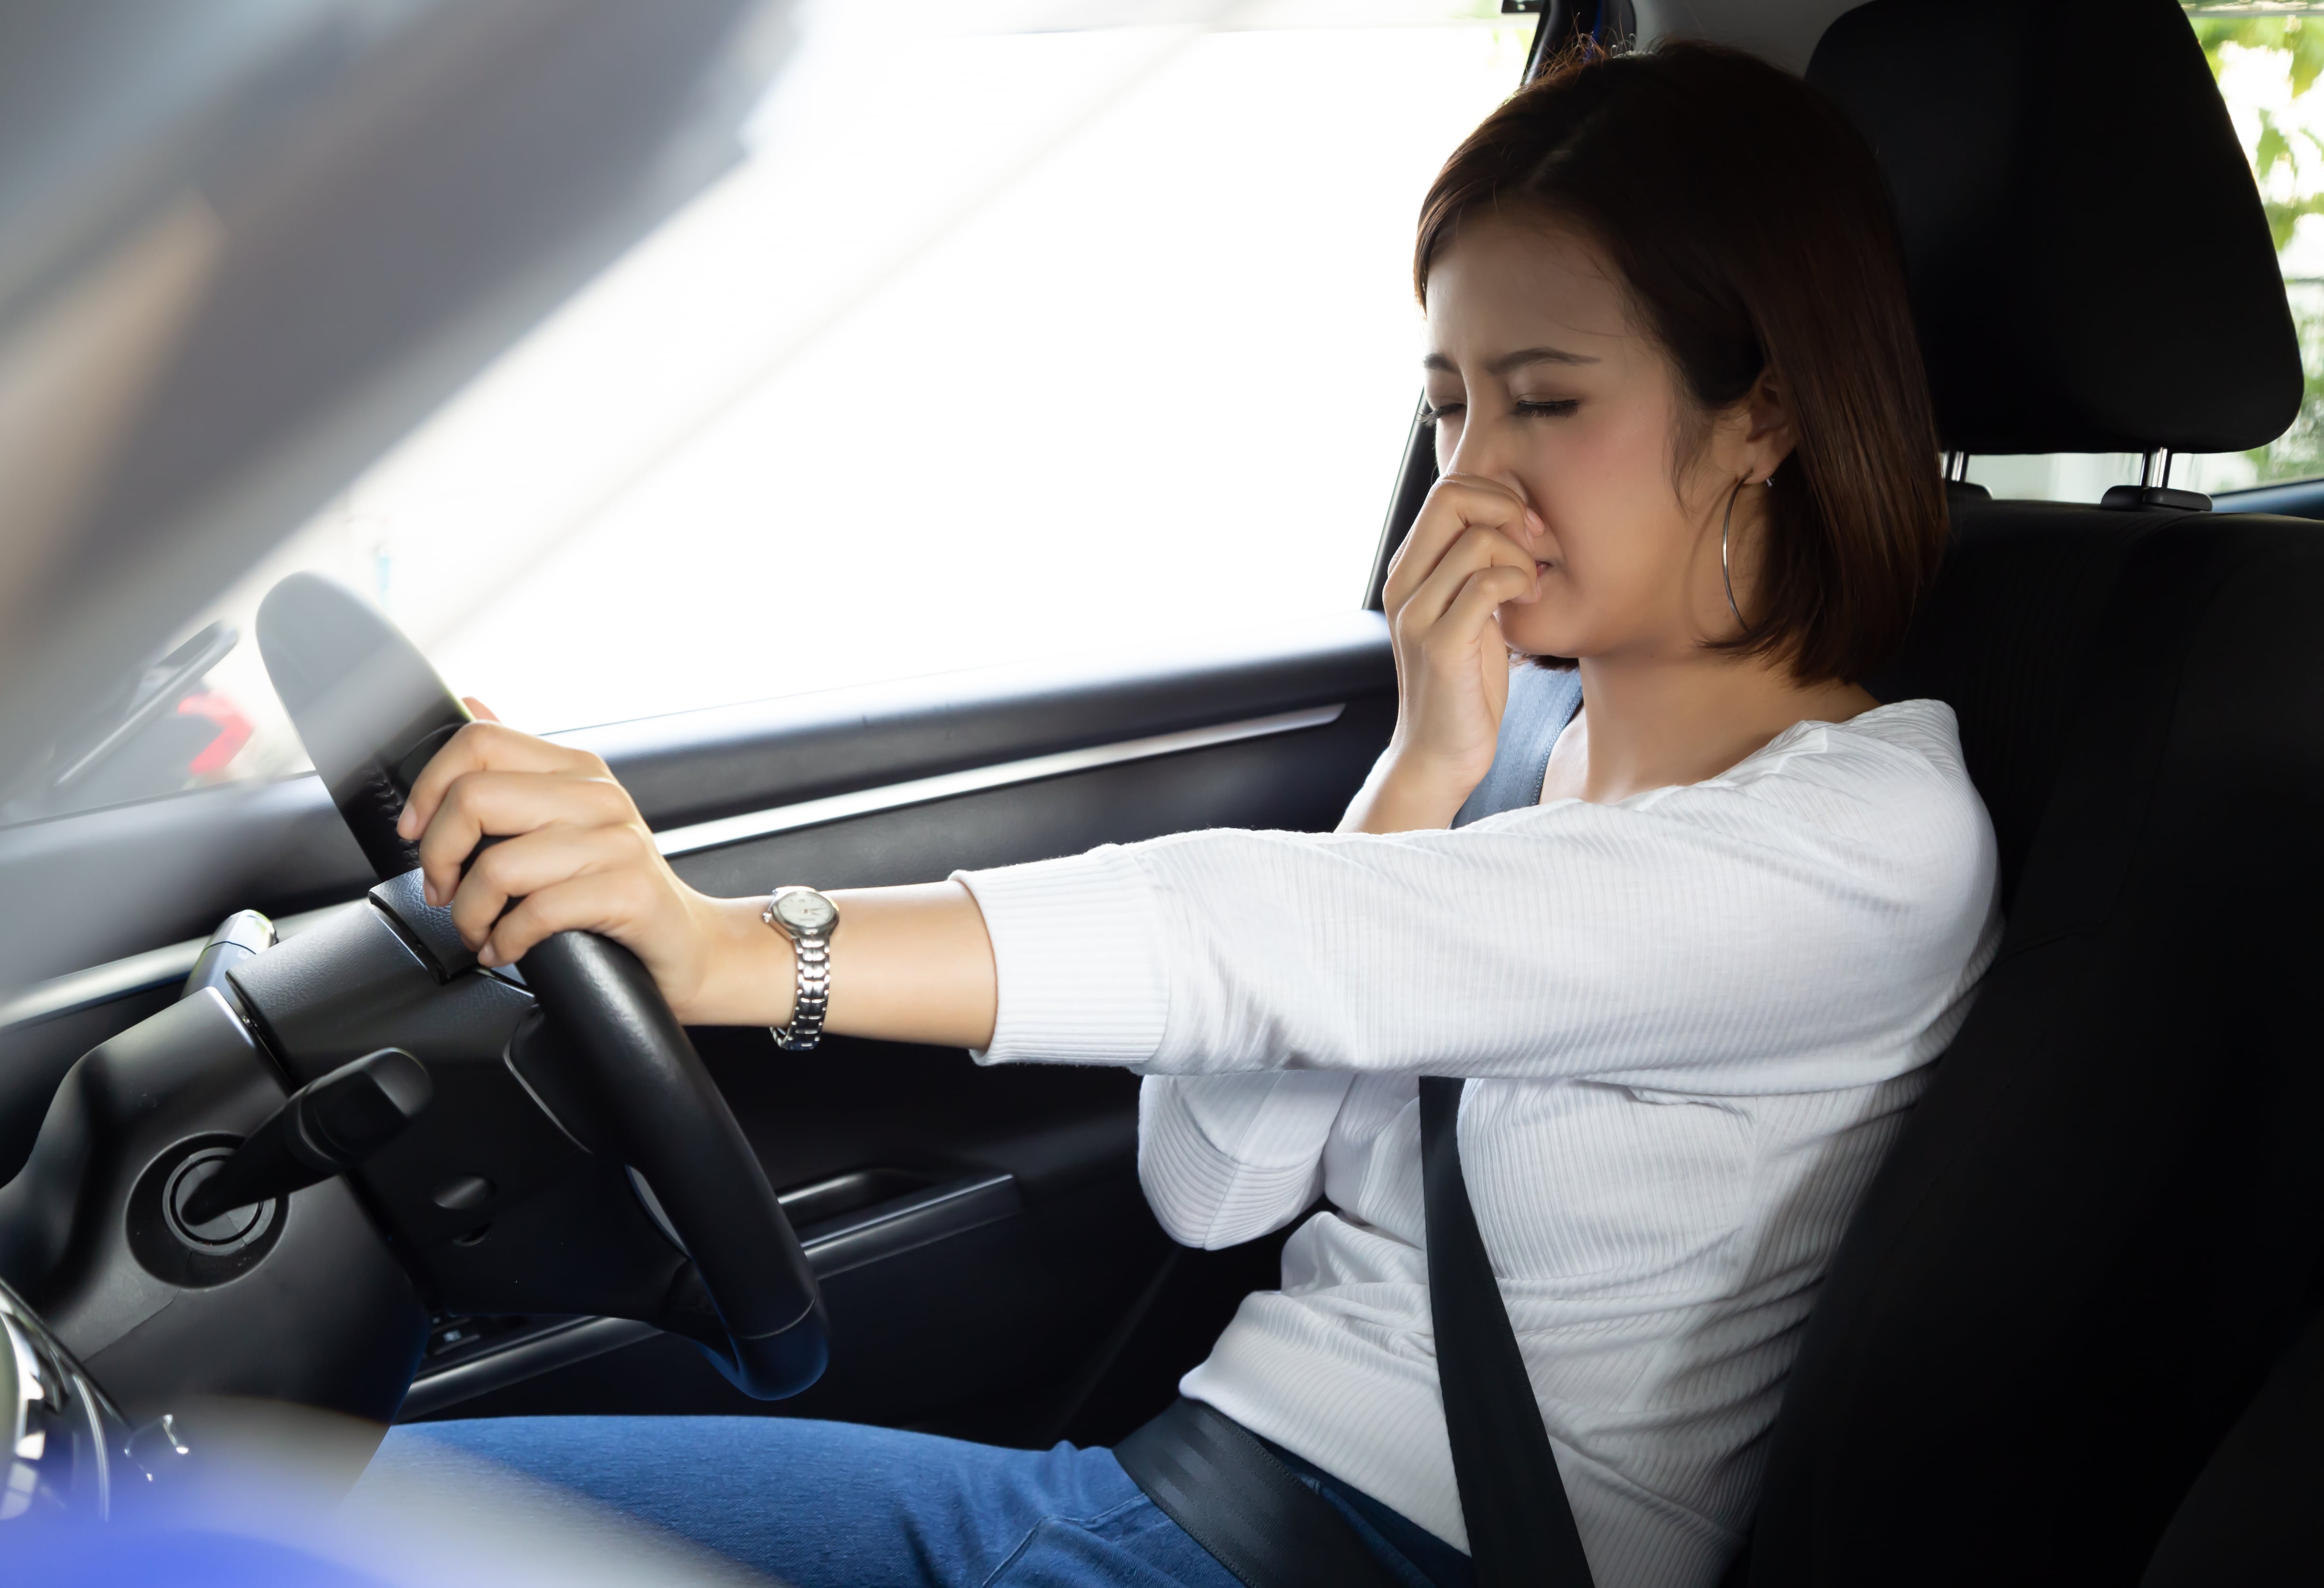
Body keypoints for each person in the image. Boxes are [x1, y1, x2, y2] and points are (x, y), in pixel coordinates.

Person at [369, 40, 2001, 1588]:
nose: (1472, 478)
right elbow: (1213, 1186)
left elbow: (1243, 943)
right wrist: (1427, 768)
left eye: (1546, 401)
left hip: (1387, 1555)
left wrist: (729, 951)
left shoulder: (1867, 844)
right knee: (346, 1508)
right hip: (1165, 1509)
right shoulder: (1529, 759)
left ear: (1764, 418)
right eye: (1449, 405)